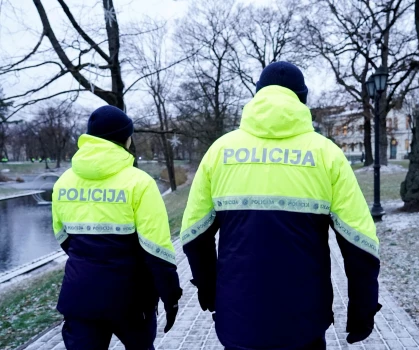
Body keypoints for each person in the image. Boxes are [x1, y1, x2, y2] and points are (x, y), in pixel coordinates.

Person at [180, 62, 381, 350]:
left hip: (238, 317)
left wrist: (211, 291)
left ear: (258, 95)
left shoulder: (220, 152)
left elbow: (193, 234)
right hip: (304, 321)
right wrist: (362, 308)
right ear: (302, 99)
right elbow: (360, 242)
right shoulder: (327, 155)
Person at [52, 105, 182, 350]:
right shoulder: (139, 183)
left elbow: (63, 238)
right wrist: (170, 296)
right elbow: (157, 250)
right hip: (131, 300)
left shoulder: (63, 183)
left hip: (80, 296)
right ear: (126, 138)